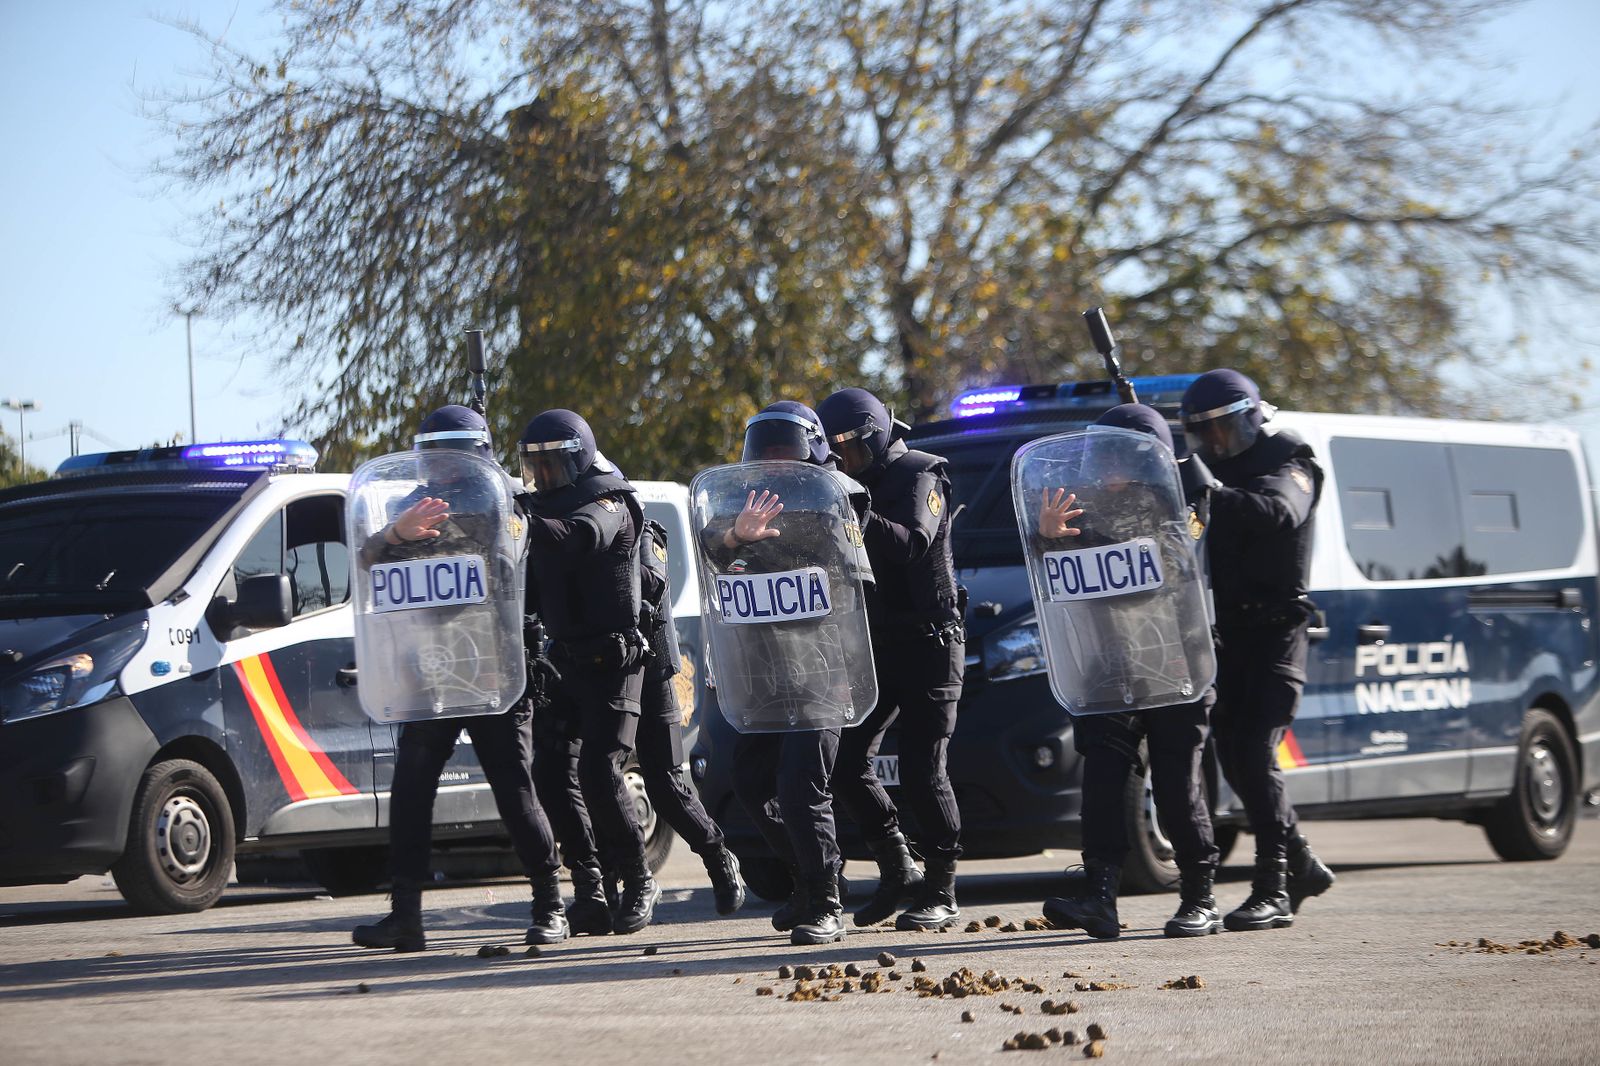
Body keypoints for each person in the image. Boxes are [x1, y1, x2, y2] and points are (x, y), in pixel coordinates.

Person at [352, 405, 567, 952]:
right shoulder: (410, 507)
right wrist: (395, 535)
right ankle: (406, 915)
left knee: (514, 788)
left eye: (453, 458)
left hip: (493, 667)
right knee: (411, 788)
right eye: (435, 458)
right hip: (431, 669)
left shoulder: (509, 501)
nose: (442, 470)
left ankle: (550, 907)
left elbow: (516, 564)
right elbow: (369, 562)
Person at [1033, 403, 1223, 939]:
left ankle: (1198, 896)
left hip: (1173, 662)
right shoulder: (1082, 505)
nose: (1106, 466)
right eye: (1102, 454)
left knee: (1176, 787)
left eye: (1118, 454)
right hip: (1110, 665)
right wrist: (1049, 535)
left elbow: (1170, 561)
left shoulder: (1180, 503)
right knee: (1104, 784)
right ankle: (1099, 896)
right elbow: (1058, 579)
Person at [702, 401, 872, 945]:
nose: (776, 466)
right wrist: (735, 539)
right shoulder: (738, 504)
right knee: (751, 782)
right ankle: (806, 878)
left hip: (822, 669)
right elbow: (712, 547)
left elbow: (851, 577)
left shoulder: (839, 499)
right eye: (766, 455)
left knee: (803, 788)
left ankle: (825, 900)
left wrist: (760, 548)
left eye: (787, 454)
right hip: (760, 676)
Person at [1179, 370, 1335, 931]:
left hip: (1277, 632)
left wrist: (1209, 490)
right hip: (1227, 634)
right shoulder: (1209, 470)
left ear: (1251, 417)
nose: (1216, 447)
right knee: (1232, 755)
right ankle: (1300, 863)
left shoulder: (1291, 459)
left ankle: (1274, 886)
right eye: (1204, 438)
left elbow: (1279, 513)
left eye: (1223, 433)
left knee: (1253, 750)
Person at [816, 388, 965, 931]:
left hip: (930, 641)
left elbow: (911, 544)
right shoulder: (846, 486)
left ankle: (942, 889)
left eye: (851, 452)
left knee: (925, 768)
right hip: (875, 645)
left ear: (875, 438)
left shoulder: (922, 474)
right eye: (835, 456)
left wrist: (856, 506)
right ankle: (898, 867)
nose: (845, 464)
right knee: (847, 762)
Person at [518, 409, 658, 936]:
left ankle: (640, 880)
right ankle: (591, 890)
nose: (542, 477)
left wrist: (519, 520)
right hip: (565, 663)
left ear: (576, 460)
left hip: (616, 662)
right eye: (534, 468)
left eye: (551, 466)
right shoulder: (539, 513)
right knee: (550, 773)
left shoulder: (608, 503)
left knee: (600, 772)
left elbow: (578, 537)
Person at [633, 512, 746, 915]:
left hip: (647, 671)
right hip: (587, 673)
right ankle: (624, 881)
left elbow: (651, 580)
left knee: (663, 783)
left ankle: (719, 858)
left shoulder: (637, 523)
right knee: (593, 776)